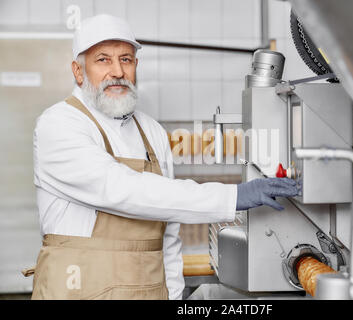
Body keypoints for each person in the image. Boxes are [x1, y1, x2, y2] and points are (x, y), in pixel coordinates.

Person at [25, 14, 300, 300]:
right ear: (78, 71)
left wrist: (175, 294)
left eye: (126, 59)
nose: (117, 71)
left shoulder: (151, 131)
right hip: (77, 291)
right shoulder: (59, 124)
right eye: (103, 59)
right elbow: (122, 190)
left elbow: (169, 232)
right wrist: (231, 197)